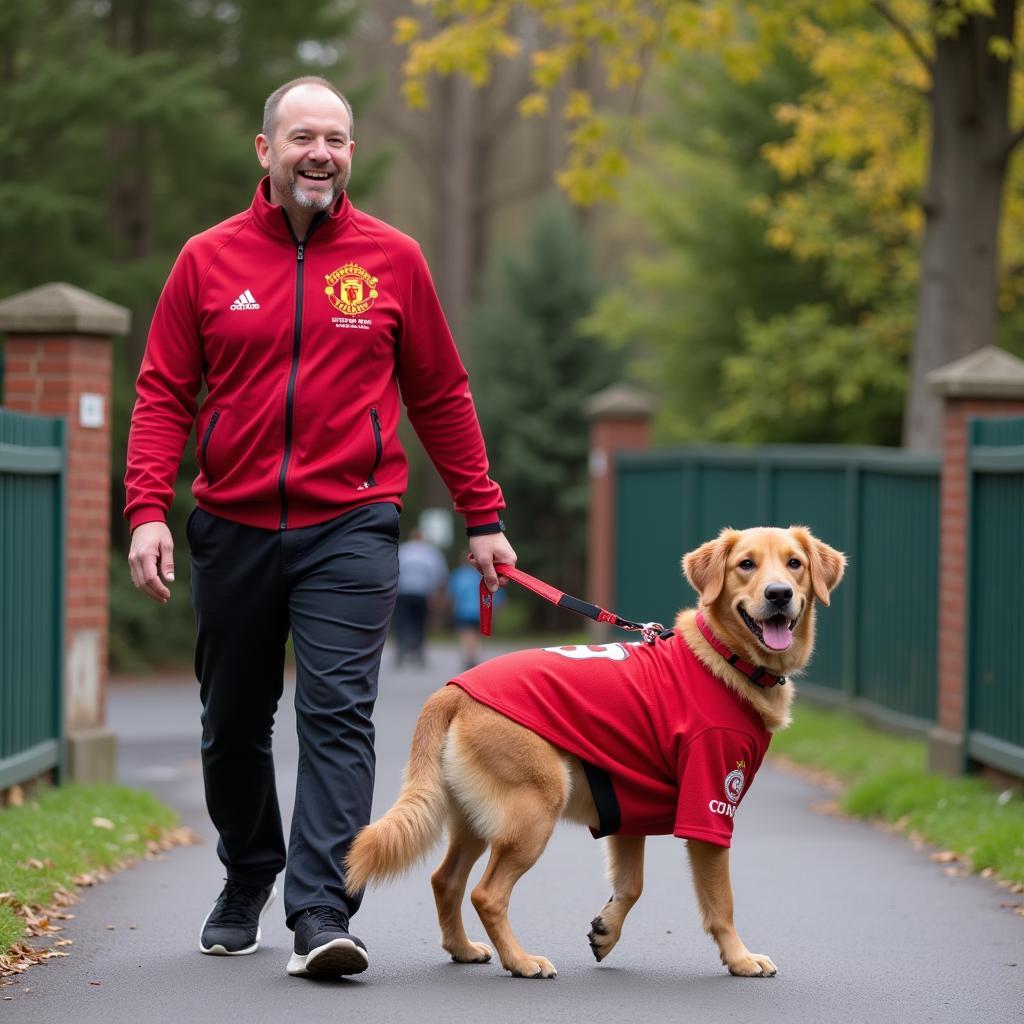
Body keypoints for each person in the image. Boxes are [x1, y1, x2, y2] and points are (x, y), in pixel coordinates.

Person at [124, 76, 516, 980]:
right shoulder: (205, 260)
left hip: (353, 522)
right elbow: (162, 392)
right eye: (303, 136)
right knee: (232, 722)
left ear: (349, 154)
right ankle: (248, 873)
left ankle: (320, 911)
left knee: (336, 714)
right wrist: (147, 507)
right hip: (233, 523)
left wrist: (483, 517)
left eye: (336, 139)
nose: (320, 154)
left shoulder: (393, 259)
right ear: (265, 150)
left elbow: (441, 393)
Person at [394, 528, 448, 666]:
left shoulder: (403, 551)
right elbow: (439, 575)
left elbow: (394, 571)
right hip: (423, 593)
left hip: (404, 592)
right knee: (421, 623)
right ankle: (419, 652)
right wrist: (438, 594)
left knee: (402, 623)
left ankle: (401, 650)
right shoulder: (431, 553)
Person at [448, 554, 502, 670]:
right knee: (476, 634)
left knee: (465, 634)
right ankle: (474, 656)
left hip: (463, 610)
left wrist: (452, 607)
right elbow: (495, 592)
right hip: (480, 610)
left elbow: (453, 594)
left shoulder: (458, 575)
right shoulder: (485, 574)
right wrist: (495, 608)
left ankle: (469, 657)